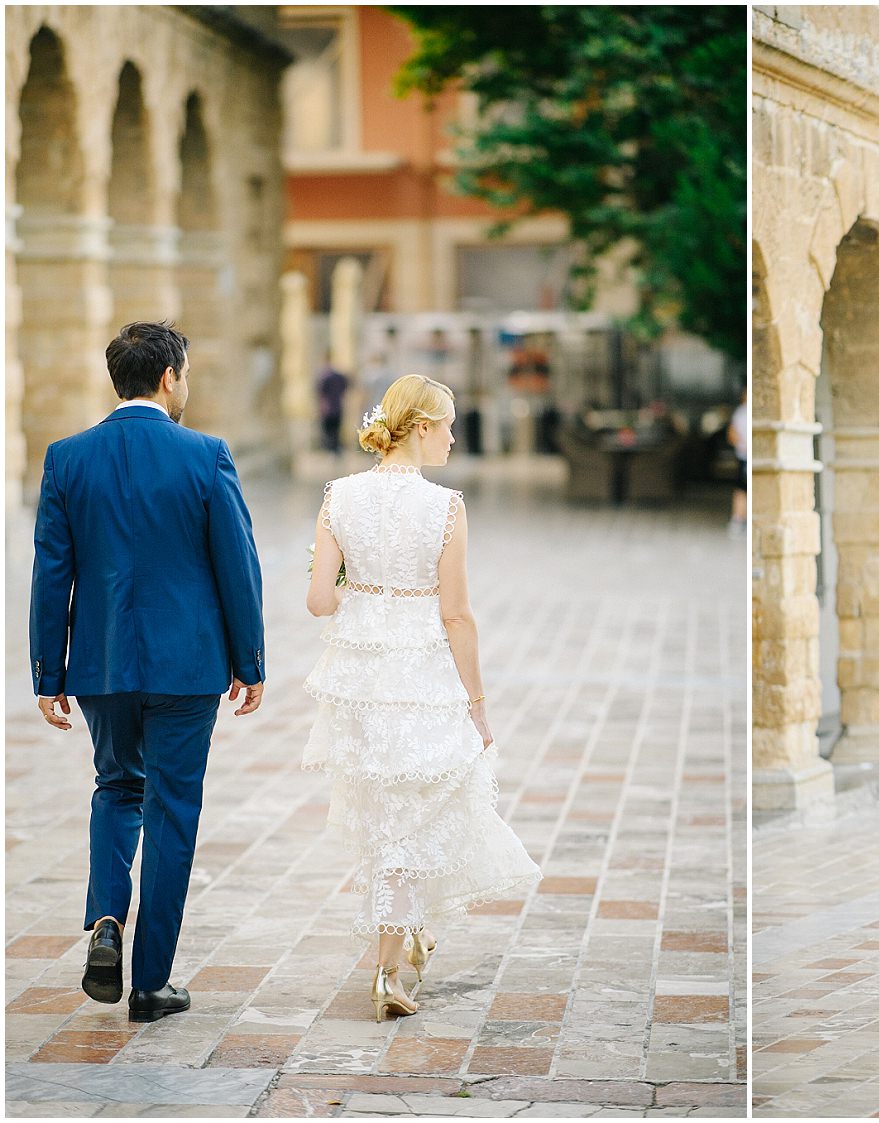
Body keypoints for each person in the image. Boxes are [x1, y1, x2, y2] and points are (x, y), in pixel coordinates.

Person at [29, 321, 266, 1023]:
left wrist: (49, 671)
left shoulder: (67, 458)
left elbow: (51, 573)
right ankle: (151, 982)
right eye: (185, 373)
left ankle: (107, 918)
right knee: (172, 808)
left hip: (100, 666)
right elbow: (238, 565)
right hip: (188, 666)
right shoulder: (206, 455)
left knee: (116, 787)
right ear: (169, 376)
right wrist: (248, 659)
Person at [304, 374, 541, 1021]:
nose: (455, 437)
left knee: (391, 823)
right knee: (414, 822)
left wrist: (354, 576)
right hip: (421, 681)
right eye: (449, 425)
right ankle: (384, 972)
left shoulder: (339, 497)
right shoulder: (446, 508)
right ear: (420, 428)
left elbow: (319, 599)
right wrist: (478, 702)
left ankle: (409, 932)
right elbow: (458, 615)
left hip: (358, 685)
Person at [317, 364, 350, 453]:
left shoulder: (325, 377)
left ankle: (331, 450)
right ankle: (335, 450)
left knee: (328, 433)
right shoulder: (339, 376)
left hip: (329, 408)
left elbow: (321, 394)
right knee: (336, 432)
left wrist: (322, 407)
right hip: (338, 407)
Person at [728, 389, 748, 535]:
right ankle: (738, 520)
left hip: (744, 455)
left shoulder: (741, 412)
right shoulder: (741, 413)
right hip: (744, 456)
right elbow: (732, 434)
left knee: (744, 489)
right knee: (742, 489)